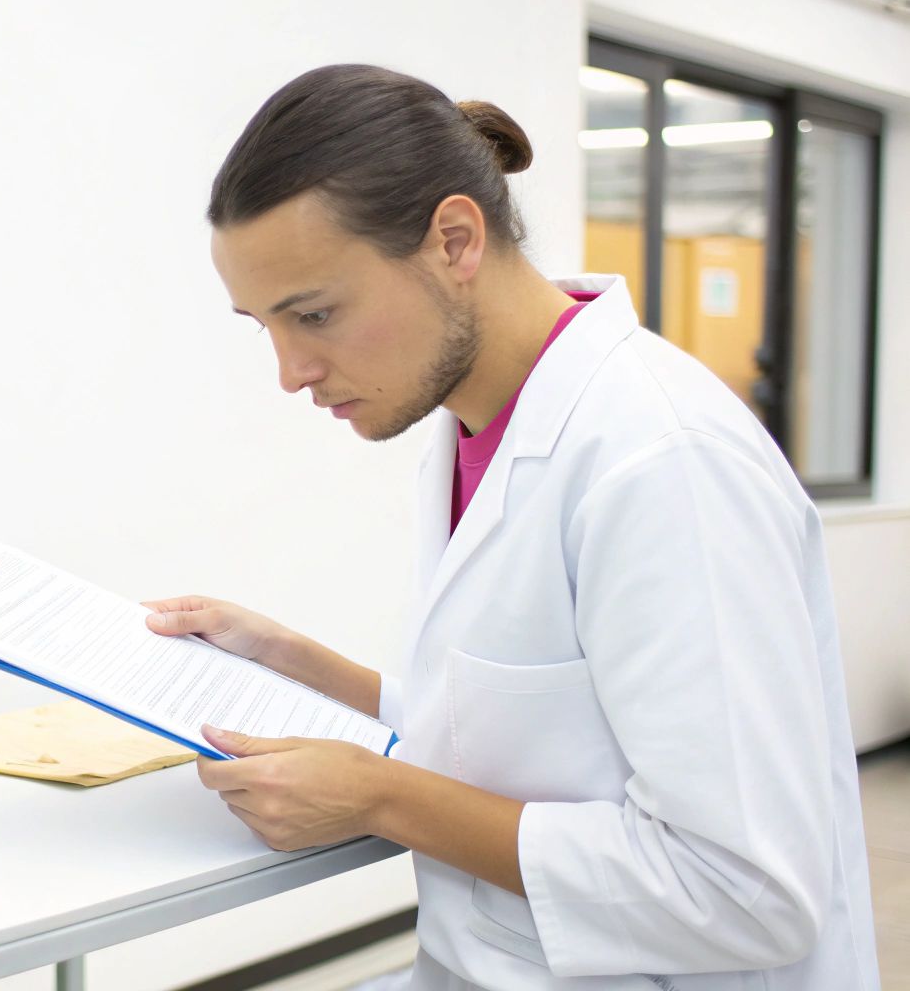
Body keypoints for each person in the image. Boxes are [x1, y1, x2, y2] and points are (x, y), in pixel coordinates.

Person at [143, 64, 879, 989]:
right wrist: (296, 662)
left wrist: (382, 797)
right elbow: (528, 739)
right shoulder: (474, 432)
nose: (292, 371)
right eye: (266, 327)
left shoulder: (665, 462)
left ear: (454, 241)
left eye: (316, 315)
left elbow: (744, 892)